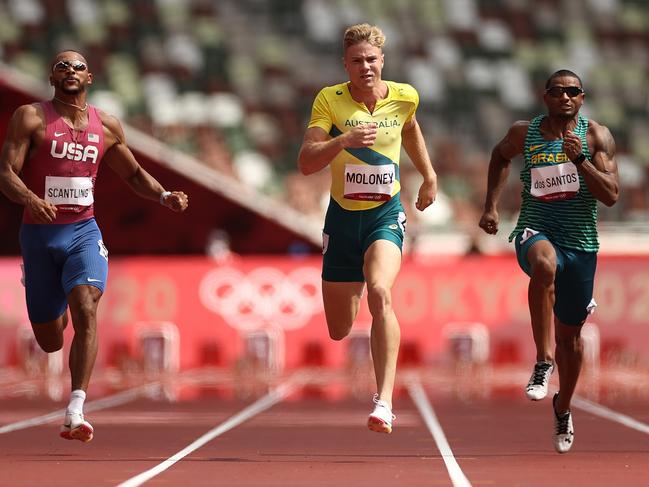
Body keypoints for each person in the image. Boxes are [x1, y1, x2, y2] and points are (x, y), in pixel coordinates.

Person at [0, 51, 189, 442]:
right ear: (52, 77)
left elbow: (134, 174)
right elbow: (5, 173)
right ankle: (44, 290)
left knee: (86, 305)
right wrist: (31, 200)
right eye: (62, 66)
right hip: (39, 235)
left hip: (83, 231)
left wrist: (164, 195)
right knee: (50, 338)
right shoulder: (30, 117)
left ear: (90, 78)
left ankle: (76, 409)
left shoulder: (107, 126)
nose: (70, 71)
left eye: (78, 66)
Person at [297, 24, 437, 434]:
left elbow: (409, 125)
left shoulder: (404, 96)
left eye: (372, 59)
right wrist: (343, 141)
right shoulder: (329, 100)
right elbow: (306, 161)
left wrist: (428, 175)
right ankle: (352, 285)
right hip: (341, 218)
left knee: (381, 290)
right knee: (339, 329)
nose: (366, 67)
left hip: (384, 214)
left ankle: (385, 401)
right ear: (346, 65)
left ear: (382, 61)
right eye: (357, 61)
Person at [479, 69, 619, 453]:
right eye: (557, 91)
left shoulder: (596, 136)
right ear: (546, 97)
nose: (565, 97)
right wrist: (491, 206)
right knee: (543, 265)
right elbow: (498, 155)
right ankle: (543, 361)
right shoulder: (526, 133)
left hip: (581, 244)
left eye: (572, 91)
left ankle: (563, 405)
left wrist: (582, 163)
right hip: (536, 230)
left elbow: (610, 195)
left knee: (571, 340)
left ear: (582, 98)